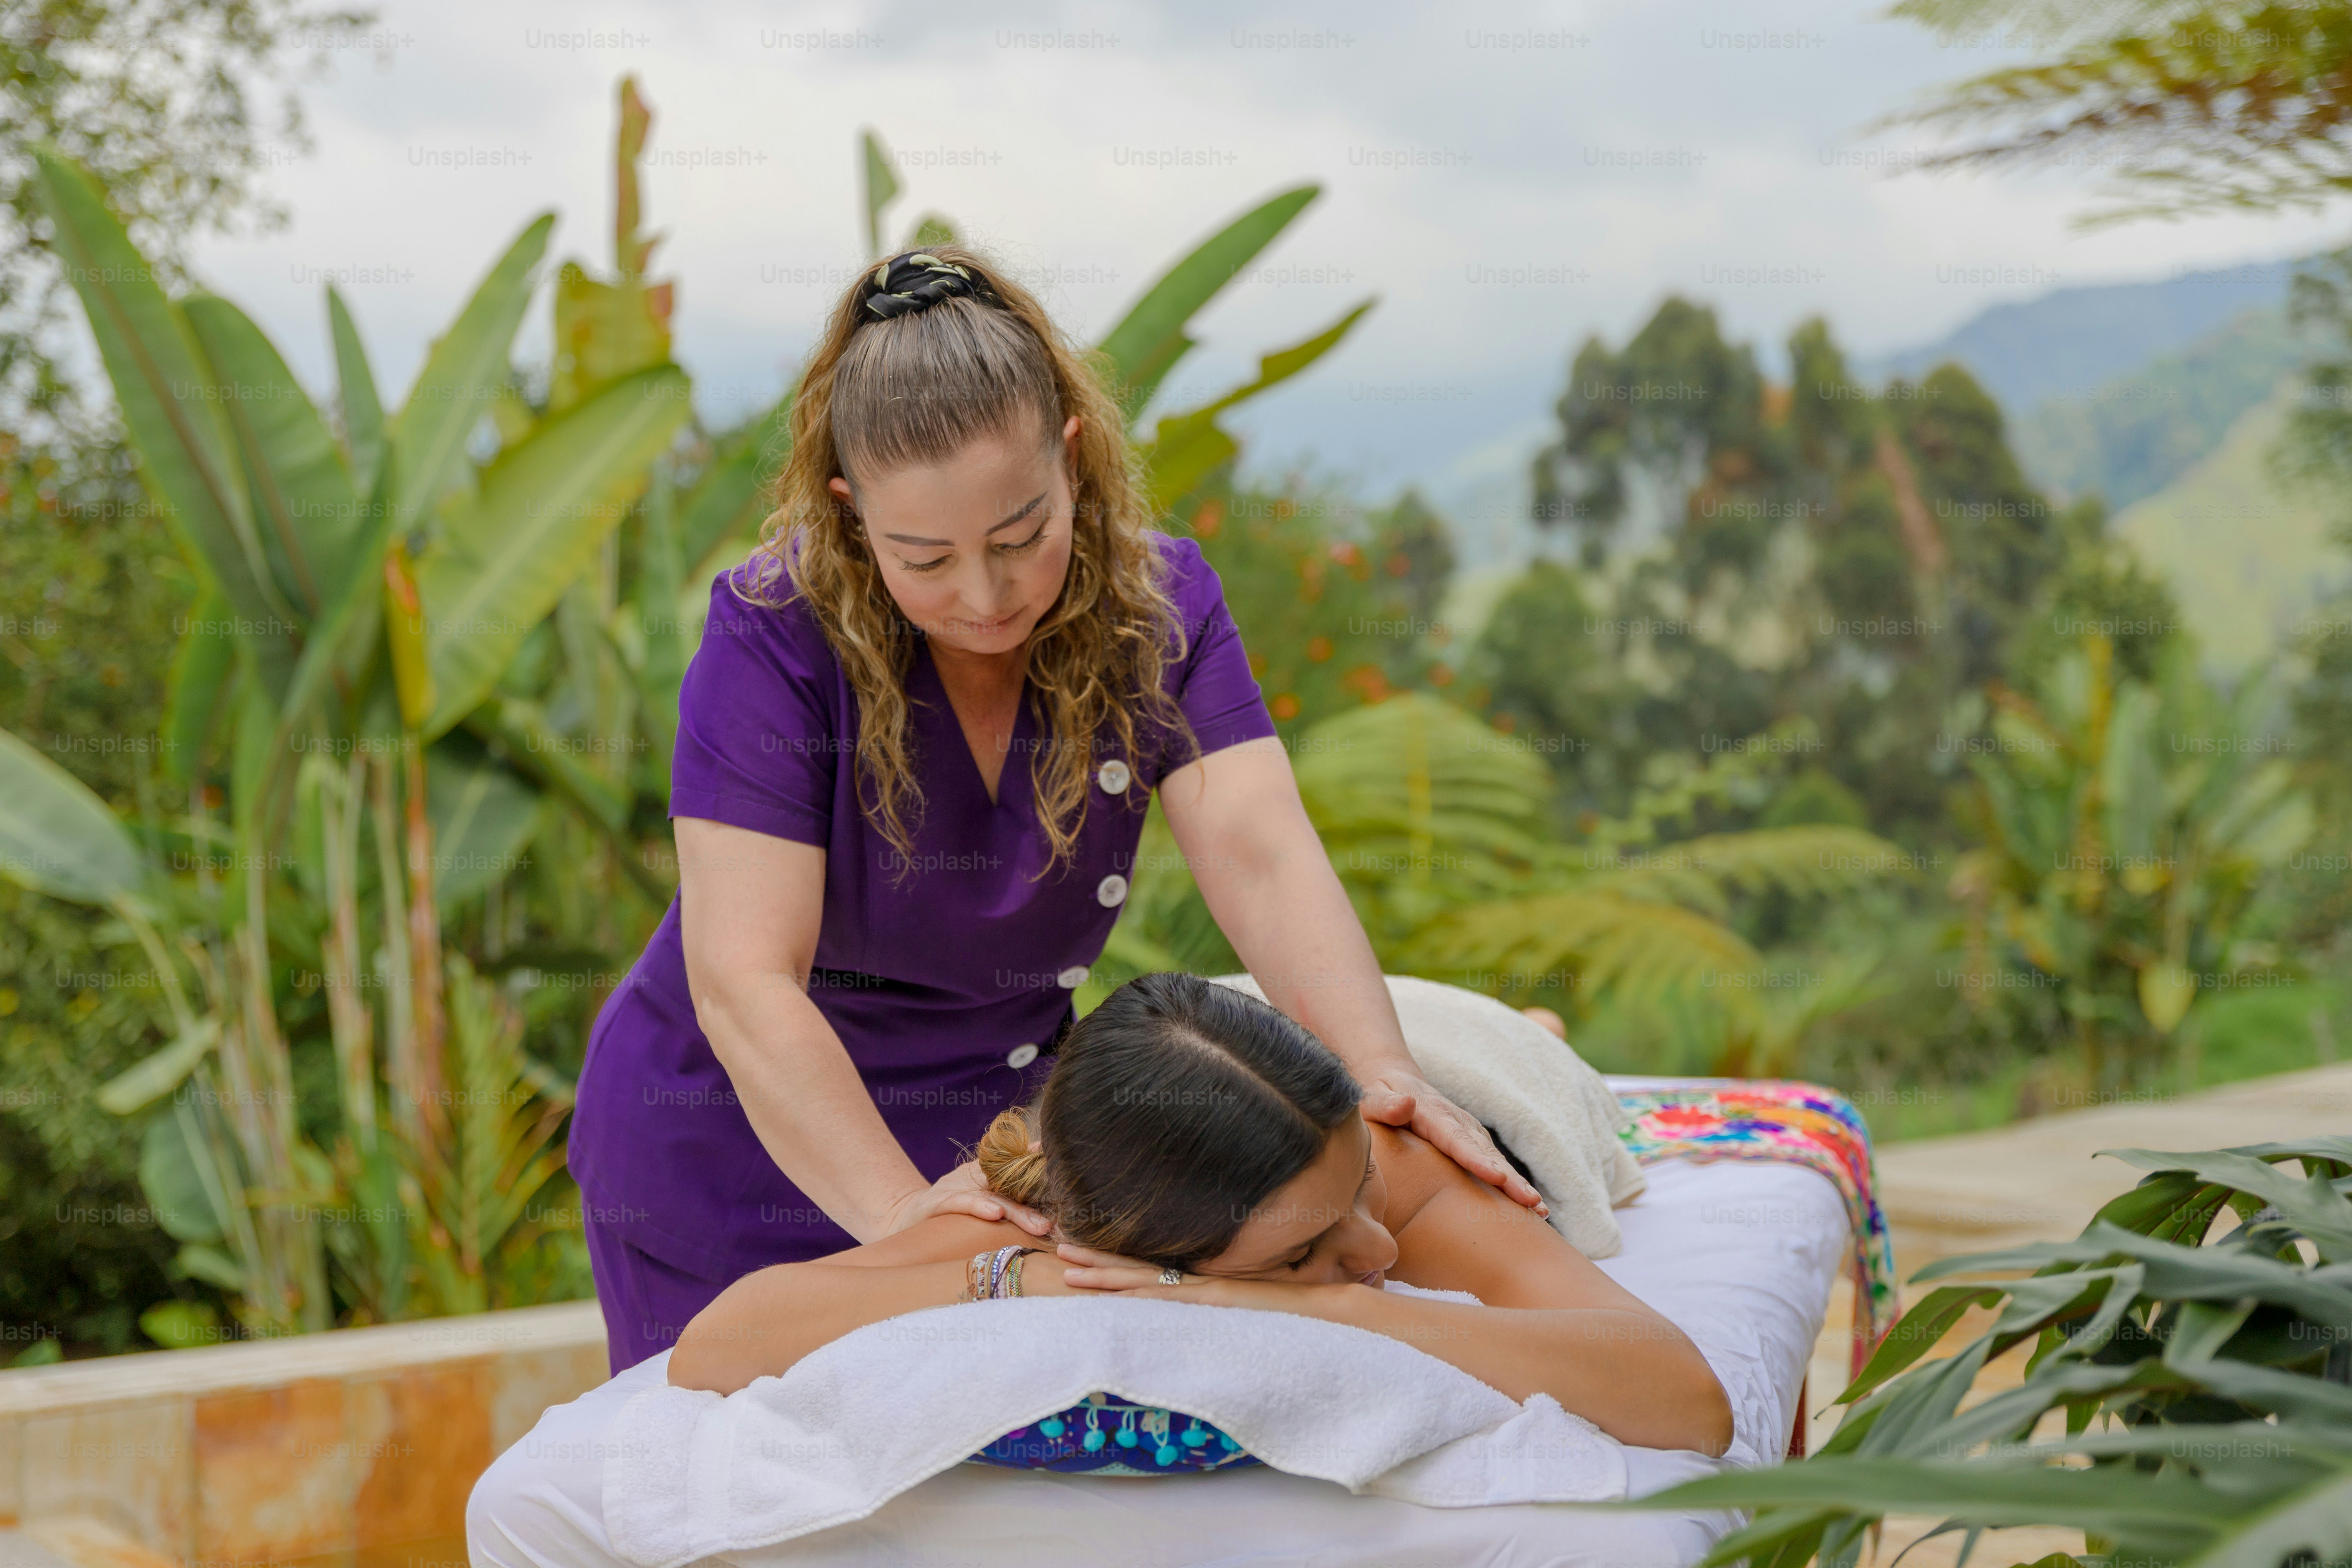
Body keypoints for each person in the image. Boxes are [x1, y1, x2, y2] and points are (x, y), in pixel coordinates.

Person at [567, 246, 1546, 1374]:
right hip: (735, 1147)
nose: (984, 598)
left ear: (1072, 460)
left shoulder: (1158, 605)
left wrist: (1380, 1066)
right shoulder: (774, 632)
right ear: (848, 511)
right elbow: (745, 981)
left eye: (1021, 534)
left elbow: (1259, 850)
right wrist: (901, 1221)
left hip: (998, 1152)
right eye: (923, 558)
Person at [668, 973, 1734, 1458]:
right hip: (1172, 1092)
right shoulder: (1058, 1205)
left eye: (1348, 1202)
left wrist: (1323, 1302)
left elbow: (1684, 1397)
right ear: (1133, 1246)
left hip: (1465, 1062)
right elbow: (716, 1342)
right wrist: (1026, 1278)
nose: (1378, 1250)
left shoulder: (1395, 1171)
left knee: (1520, 1036)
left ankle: (1528, 1012)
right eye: (1308, 1251)